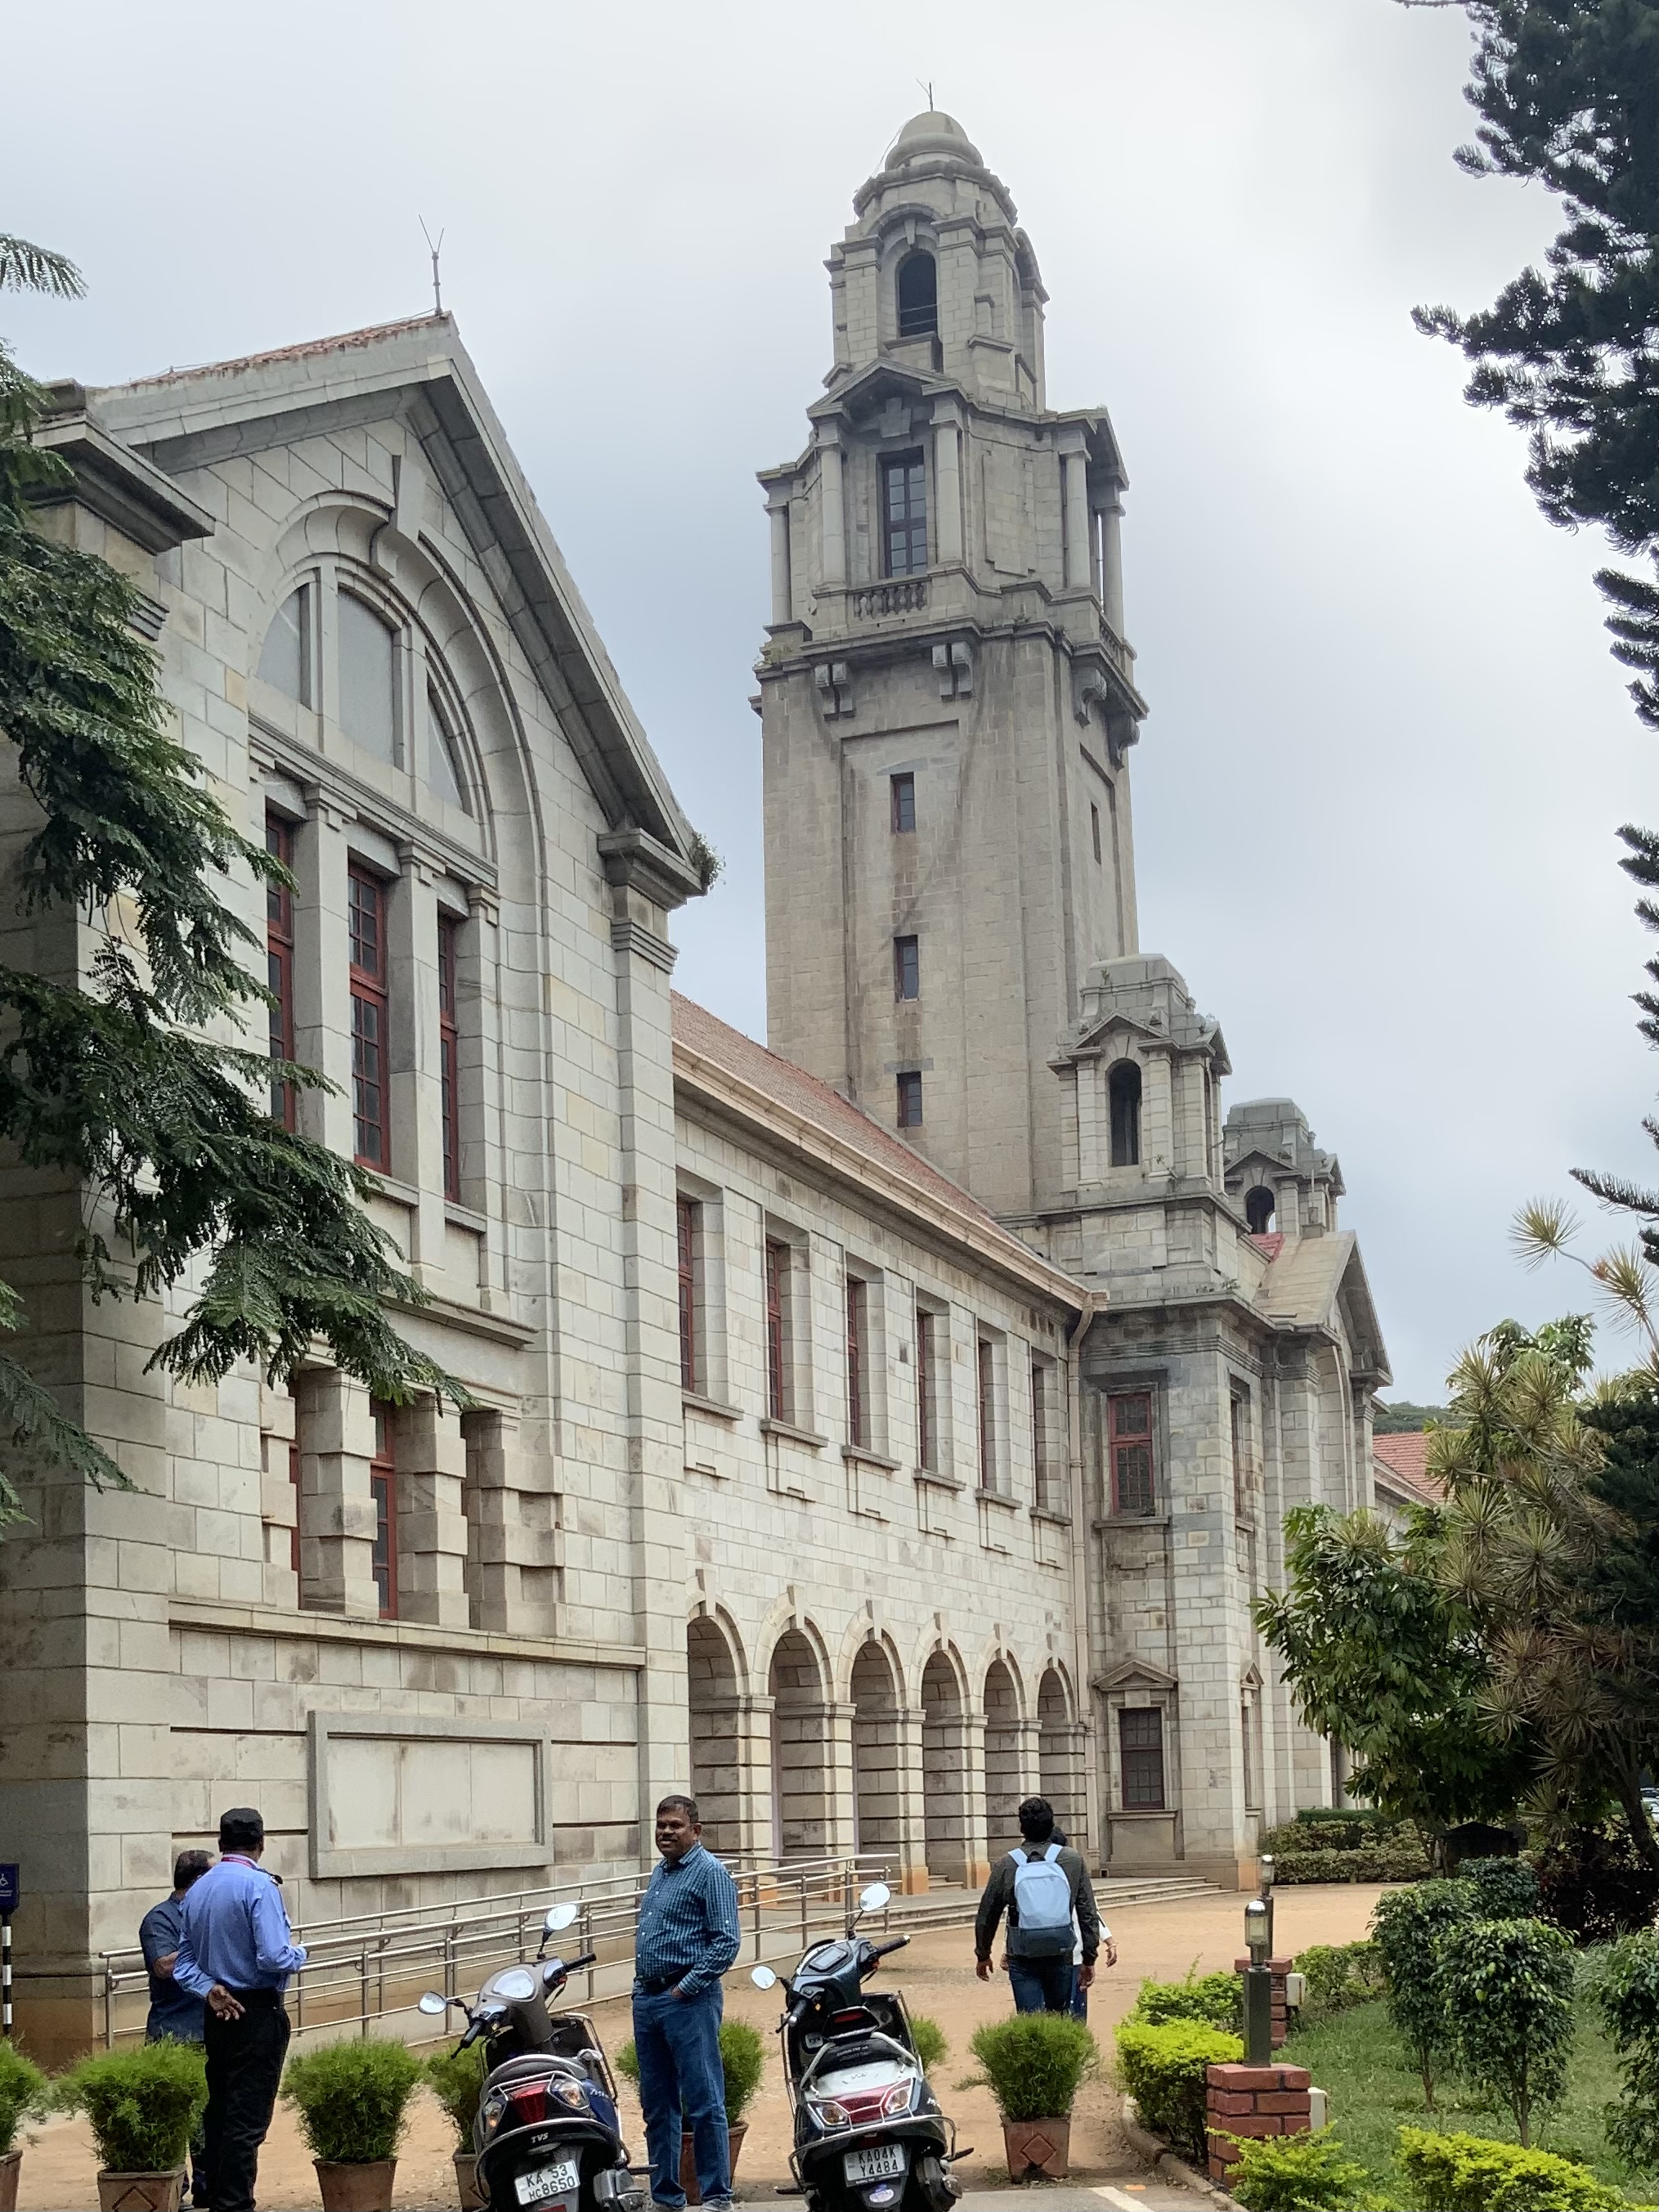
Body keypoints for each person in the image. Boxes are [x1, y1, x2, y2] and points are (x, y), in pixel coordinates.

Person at [172, 1807, 307, 2212]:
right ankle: (235, 2204)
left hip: (217, 2012)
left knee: (221, 2110)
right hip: (258, 2012)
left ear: (220, 1843)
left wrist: (209, 1989)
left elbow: (183, 1963)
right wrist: (301, 1952)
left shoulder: (197, 1889)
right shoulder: (260, 1886)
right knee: (247, 2121)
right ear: (261, 1844)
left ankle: (213, 2195)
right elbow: (273, 1956)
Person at [632, 1795, 742, 2212]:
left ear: (696, 1831)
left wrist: (684, 1988)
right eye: (661, 1825)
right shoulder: (662, 1871)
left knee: (704, 2100)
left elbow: (726, 1942)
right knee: (657, 2105)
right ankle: (666, 2195)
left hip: (688, 2000)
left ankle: (716, 2196)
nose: (665, 1832)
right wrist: (645, 1990)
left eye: (675, 1826)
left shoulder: (710, 1873)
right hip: (648, 1998)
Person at [974, 1796, 1114, 2014]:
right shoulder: (1072, 1860)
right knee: (1059, 2017)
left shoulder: (1006, 1864)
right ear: (1051, 1824)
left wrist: (983, 1954)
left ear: (1022, 1828)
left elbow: (987, 1914)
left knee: (1030, 2018)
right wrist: (1089, 1957)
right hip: (1061, 1951)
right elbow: (1087, 1912)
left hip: (1022, 1953)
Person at [140, 1850, 214, 2207]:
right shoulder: (161, 1918)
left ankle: (206, 2186)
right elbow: (163, 1966)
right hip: (173, 2032)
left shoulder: (210, 1914)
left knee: (210, 2115)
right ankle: (176, 2188)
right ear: (198, 1881)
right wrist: (205, 1945)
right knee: (176, 2116)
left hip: (212, 2030)